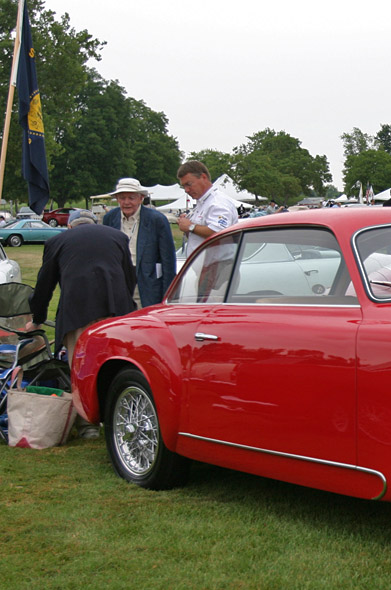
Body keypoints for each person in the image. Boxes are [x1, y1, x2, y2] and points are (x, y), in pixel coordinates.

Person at [27, 209, 136, 439]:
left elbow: (44, 286)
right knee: (116, 365)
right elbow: (129, 277)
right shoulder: (117, 237)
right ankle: (120, 418)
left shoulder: (57, 241)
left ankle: (88, 424)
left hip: (78, 312)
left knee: (82, 368)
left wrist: (37, 319)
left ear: (70, 226)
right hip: (115, 311)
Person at [102, 177, 177, 307]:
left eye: (131, 198)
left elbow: (168, 260)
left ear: (141, 198)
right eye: (122, 198)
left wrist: (168, 294)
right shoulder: (110, 218)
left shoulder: (156, 220)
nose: (126, 202)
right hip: (118, 281)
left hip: (146, 283)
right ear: (117, 199)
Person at [175, 160, 238, 256]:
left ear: (203, 177)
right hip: (206, 266)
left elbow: (219, 233)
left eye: (189, 184)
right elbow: (199, 236)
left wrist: (191, 226)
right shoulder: (203, 203)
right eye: (184, 186)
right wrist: (187, 225)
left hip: (219, 266)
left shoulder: (217, 202)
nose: (186, 190)